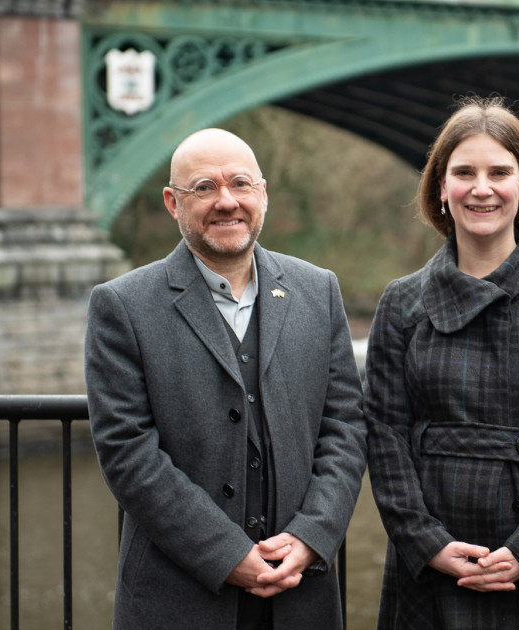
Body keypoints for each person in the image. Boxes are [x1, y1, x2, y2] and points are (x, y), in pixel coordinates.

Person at [84, 128, 367, 630]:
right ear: (173, 202)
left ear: (263, 195)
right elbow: (127, 451)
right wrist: (225, 554)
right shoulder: (122, 306)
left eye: (240, 184)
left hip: (301, 595)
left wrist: (313, 534)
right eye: (204, 188)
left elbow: (344, 427)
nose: (226, 201)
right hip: (178, 597)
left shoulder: (318, 291)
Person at [363, 96, 519, 629]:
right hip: (434, 566)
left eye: (499, 172)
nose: (482, 188)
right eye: (464, 173)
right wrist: (425, 541)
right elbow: (385, 435)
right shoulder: (400, 303)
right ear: (441, 186)